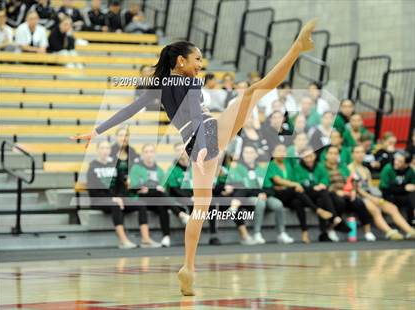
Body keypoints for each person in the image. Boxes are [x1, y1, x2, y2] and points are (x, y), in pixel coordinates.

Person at [71, 19, 317, 296]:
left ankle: (188, 267)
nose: (201, 64)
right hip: (206, 137)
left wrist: (96, 130)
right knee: (254, 91)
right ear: (181, 60)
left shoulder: (160, 85)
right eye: (197, 59)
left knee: (200, 209)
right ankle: (296, 48)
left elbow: (128, 111)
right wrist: (204, 147)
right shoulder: (189, 82)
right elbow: (199, 118)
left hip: (199, 141)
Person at [87, 140, 159, 249]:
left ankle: (146, 239)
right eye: (102, 148)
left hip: (117, 199)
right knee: (115, 205)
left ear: (110, 150)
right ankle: (123, 241)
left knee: (141, 205)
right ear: (97, 150)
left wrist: (136, 190)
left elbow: (122, 184)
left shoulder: (114, 165)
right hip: (99, 200)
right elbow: (93, 191)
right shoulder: (92, 167)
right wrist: (113, 198)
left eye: (107, 148)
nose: (105, 151)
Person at [263, 144, 334, 244]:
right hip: (278, 194)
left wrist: (290, 184)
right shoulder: (271, 165)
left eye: (284, 151)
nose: (282, 153)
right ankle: (316, 209)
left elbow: (290, 179)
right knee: (295, 190)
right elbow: (277, 180)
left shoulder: (288, 164)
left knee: (297, 202)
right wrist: (294, 184)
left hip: (290, 194)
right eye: (279, 151)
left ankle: (304, 232)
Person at [229, 145, 294, 244]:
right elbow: (242, 187)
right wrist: (258, 193)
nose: (248, 155)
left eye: (251, 152)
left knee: (278, 204)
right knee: (260, 203)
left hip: (264, 195)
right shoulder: (238, 168)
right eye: (246, 152)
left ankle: (281, 233)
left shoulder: (262, 168)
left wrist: (264, 193)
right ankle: (257, 233)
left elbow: (270, 187)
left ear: (255, 155)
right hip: (247, 198)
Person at [349, 145, 414, 239]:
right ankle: (389, 232)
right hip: (358, 196)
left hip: (370, 195)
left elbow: (370, 186)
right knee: (375, 209)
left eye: (362, 152)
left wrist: (377, 197)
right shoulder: (350, 168)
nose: (360, 155)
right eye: (357, 152)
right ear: (352, 154)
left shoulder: (366, 170)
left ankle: (410, 231)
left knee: (392, 207)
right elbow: (357, 189)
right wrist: (372, 198)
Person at [165, 142, 220, 245]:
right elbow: (174, 189)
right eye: (178, 150)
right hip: (181, 197)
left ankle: (213, 235)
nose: (181, 152)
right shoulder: (172, 169)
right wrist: (190, 197)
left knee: (211, 203)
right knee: (192, 205)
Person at [319, 145, 376, 241]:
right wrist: (337, 191)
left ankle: (368, 231)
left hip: (347, 193)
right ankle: (331, 228)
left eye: (336, 153)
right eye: (331, 153)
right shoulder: (321, 167)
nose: (333, 156)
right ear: (326, 155)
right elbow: (322, 183)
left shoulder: (343, 166)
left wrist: (353, 190)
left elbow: (351, 179)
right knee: (339, 201)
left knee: (358, 202)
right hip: (331, 194)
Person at [295, 147, 351, 242]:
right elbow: (297, 182)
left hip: (318, 194)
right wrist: (313, 186)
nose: (309, 159)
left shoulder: (319, 166)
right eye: (306, 157)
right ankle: (334, 217)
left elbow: (325, 178)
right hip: (305, 194)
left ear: (315, 156)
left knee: (322, 199)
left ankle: (323, 233)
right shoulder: (298, 167)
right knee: (322, 193)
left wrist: (322, 184)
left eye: (311, 156)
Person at [379, 151, 415, 225]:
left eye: (400, 161)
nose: (396, 162)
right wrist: (403, 188)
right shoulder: (388, 168)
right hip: (389, 195)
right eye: (396, 159)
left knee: (412, 195)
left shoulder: (410, 170)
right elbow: (384, 188)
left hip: (403, 195)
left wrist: (402, 188)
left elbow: (412, 186)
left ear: (406, 164)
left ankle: (411, 221)